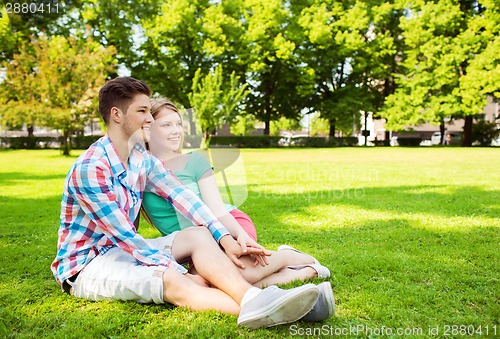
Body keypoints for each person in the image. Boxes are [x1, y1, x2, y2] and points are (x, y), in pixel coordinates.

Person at [50, 77, 332, 329]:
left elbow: (183, 196)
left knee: (198, 236)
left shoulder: (141, 159)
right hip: (88, 265)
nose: (149, 118)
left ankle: (262, 299)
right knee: (174, 281)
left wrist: (223, 237)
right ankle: (287, 307)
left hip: (122, 249)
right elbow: (125, 236)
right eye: (142, 111)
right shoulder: (92, 168)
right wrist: (180, 271)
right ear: (116, 115)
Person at [142, 97, 332, 288]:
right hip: (196, 245)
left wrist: (240, 234)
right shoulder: (138, 170)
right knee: (209, 283)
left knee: (234, 276)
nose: (176, 131)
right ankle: (296, 273)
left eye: (178, 124)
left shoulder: (195, 161)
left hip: (230, 224)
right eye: (166, 125)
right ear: (147, 128)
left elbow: (216, 208)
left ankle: (288, 257)